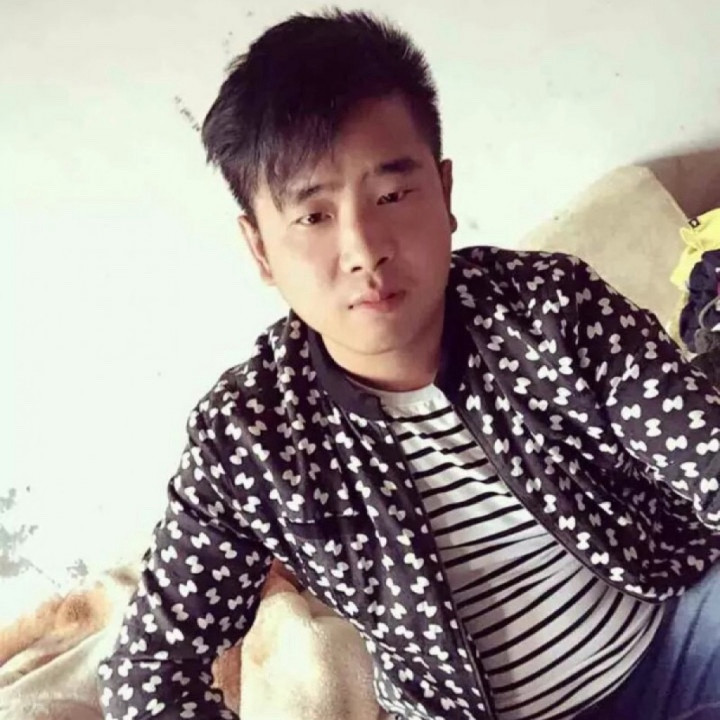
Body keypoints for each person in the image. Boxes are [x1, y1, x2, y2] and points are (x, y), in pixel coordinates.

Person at [97, 9, 720, 720]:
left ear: (444, 193)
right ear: (261, 249)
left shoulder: (551, 307)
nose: (365, 249)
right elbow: (150, 671)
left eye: (392, 195)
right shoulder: (249, 438)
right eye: (314, 216)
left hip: (673, 643)